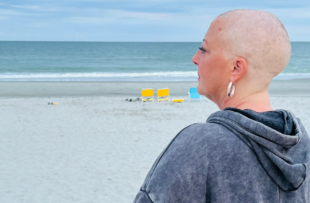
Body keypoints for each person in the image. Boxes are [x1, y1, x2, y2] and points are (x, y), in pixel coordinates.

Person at [133, 9, 310, 203]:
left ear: (235, 68)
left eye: (204, 50)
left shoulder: (200, 144)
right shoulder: (301, 145)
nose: (195, 58)